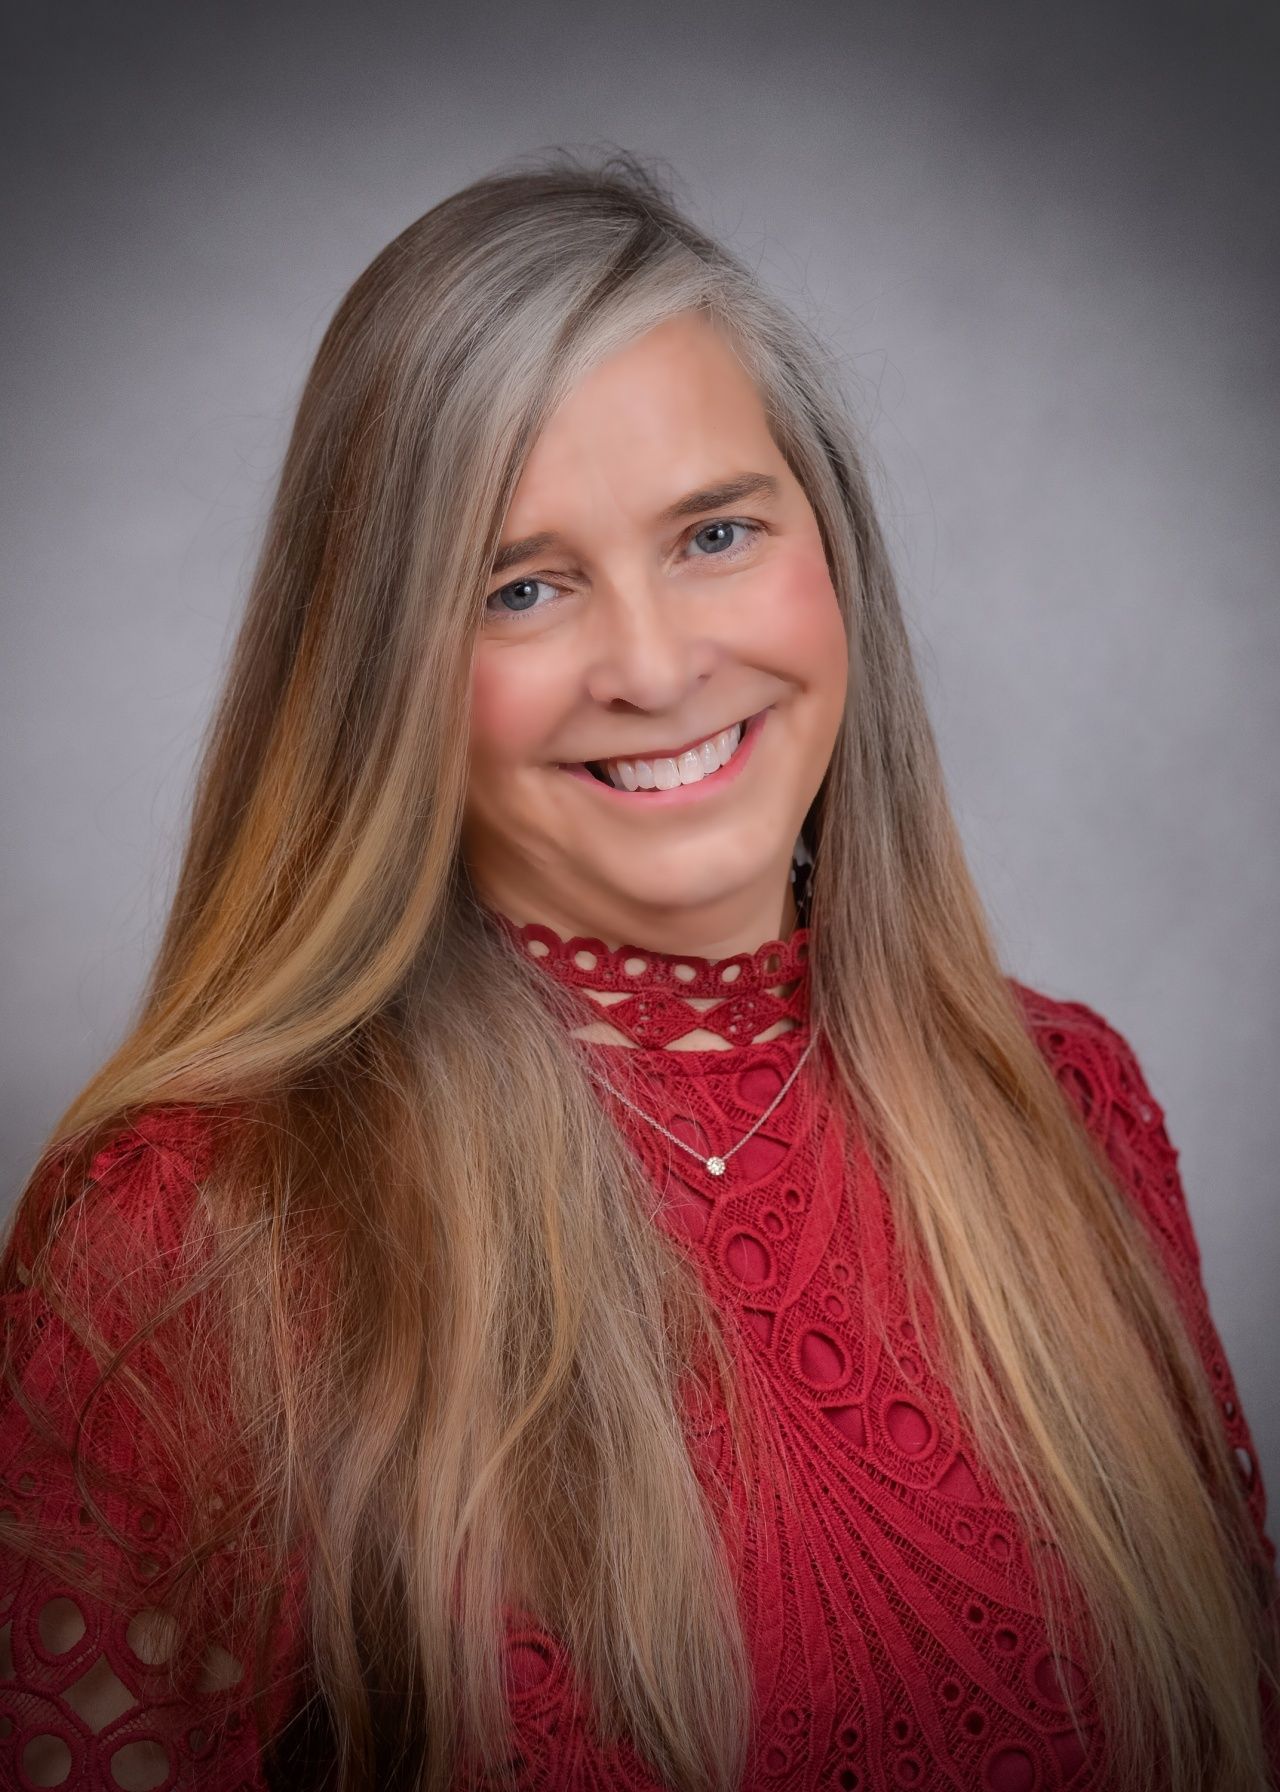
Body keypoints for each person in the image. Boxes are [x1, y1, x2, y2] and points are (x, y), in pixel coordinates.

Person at [1, 152, 1276, 1792]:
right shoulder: (193, 1236)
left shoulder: (1072, 1108)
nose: (659, 665)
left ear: (839, 565)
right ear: (383, 671)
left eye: (716, 532)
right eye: (522, 587)